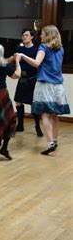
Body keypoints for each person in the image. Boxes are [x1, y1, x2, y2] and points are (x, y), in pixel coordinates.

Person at [17, 25, 70, 155]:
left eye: (42, 34)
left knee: (45, 114)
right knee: (54, 114)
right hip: (58, 85)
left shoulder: (43, 47)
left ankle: (50, 142)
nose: (40, 36)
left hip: (45, 84)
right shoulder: (61, 49)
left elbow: (36, 63)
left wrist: (22, 56)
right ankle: (55, 140)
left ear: (48, 35)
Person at [6, 29, 43, 136]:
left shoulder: (37, 49)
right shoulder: (20, 49)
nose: (24, 37)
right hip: (22, 77)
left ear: (32, 37)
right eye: (23, 35)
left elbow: (37, 63)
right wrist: (0, 61)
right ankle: (20, 125)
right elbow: (12, 59)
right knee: (18, 100)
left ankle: (37, 126)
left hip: (33, 79)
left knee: (33, 103)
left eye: (26, 35)